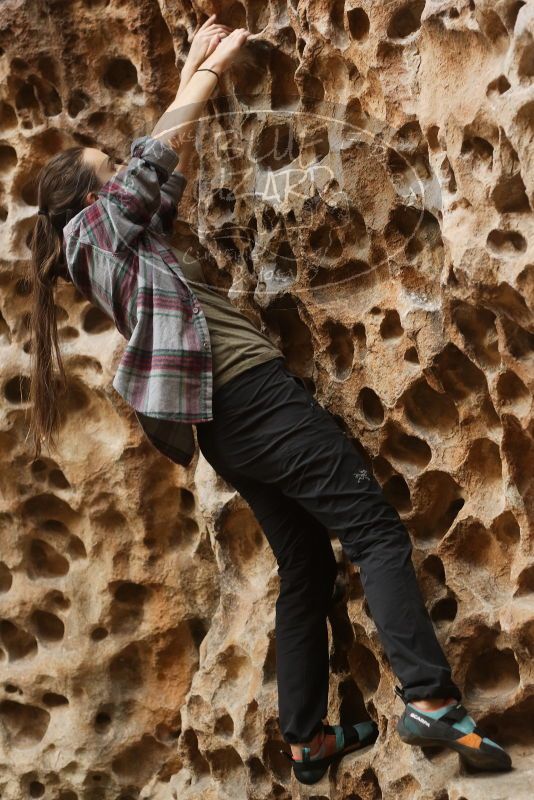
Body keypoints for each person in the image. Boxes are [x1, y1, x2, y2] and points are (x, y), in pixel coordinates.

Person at [26, 14, 512, 786]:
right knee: (376, 531)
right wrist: (211, 71)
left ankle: (306, 739)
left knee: (306, 565)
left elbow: (160, 163)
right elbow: (155, 155)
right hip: (253, 397)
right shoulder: (95, 231)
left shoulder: (117, 240)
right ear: (89, 196)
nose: (122, 170)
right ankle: (429, 698)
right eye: (107, 167)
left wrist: (190, 66)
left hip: (228, 427)